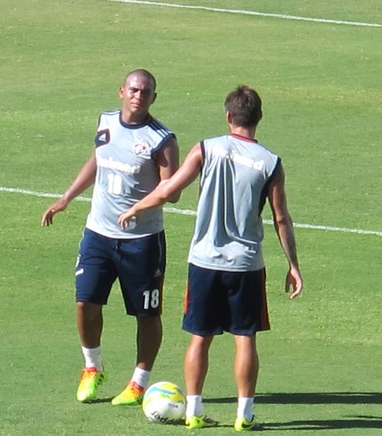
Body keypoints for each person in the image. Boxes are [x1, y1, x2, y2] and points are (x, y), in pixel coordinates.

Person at [118, 85, 303, 430]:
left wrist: (136, 207)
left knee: (199, 336)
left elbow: (169, 189)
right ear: (258, 118)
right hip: (246, 265)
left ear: (228, 116)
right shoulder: (270, 163)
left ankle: (193, 411)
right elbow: (281, 218)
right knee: (245, 337)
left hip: (204, 261)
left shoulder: (207, 148)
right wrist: (293, 265)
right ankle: (244, 416)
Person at [41, 69, 180, 406]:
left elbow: (171, 190)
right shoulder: (105, 122)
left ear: (153, 98)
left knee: (147, 314)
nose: (139, 95)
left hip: (142, 241)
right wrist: (67, 197)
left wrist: (137, 209)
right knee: (85, 301)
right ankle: (92, 367)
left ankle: (138, 382)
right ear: (121, 91)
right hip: (98, 235)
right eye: (133, 89)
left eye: (146, 92)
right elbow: (97, 161)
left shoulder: (162, 140)